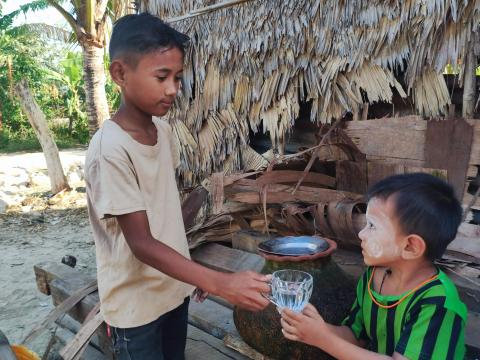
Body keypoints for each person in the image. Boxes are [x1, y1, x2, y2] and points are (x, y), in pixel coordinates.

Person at [84, 13, 270, 360]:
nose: (173, 89)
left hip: (172, 290)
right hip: (135, 308)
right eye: (162, 77)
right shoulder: (109, 150)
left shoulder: (163, 132)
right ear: (120, 74)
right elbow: (140, 243)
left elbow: (165, 214)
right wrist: (219, 282)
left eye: (178, 77)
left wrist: (191, 273)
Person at [280, 173, 467, 359]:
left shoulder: (439, 304)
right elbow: (356, 336)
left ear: (410, 247)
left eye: (372, 226)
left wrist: (322, 339)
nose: (361, 234)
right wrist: (314, 328)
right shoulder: (373, 277)